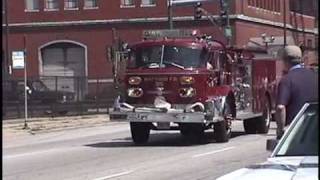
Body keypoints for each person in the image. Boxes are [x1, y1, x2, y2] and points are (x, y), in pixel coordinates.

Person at [276, 45, 318, 139]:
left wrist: (281, 130)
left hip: (296, 133)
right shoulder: (315, 76)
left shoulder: (287, 80)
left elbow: (280, 107)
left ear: (286, 61)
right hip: (315, 128)